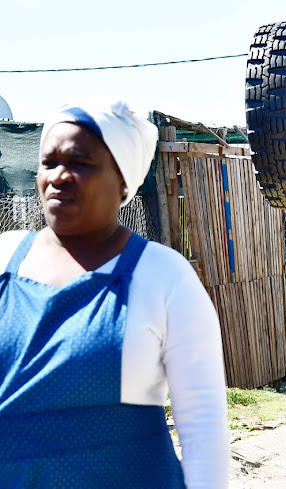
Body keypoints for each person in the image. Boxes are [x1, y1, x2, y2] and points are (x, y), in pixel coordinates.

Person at [0, 98, 230, 488]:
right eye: (49, 162)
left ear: (123, 179)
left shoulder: (162, 277)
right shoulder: (6, 258)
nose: (58, 175)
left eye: (80, 163)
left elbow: (204, 432)